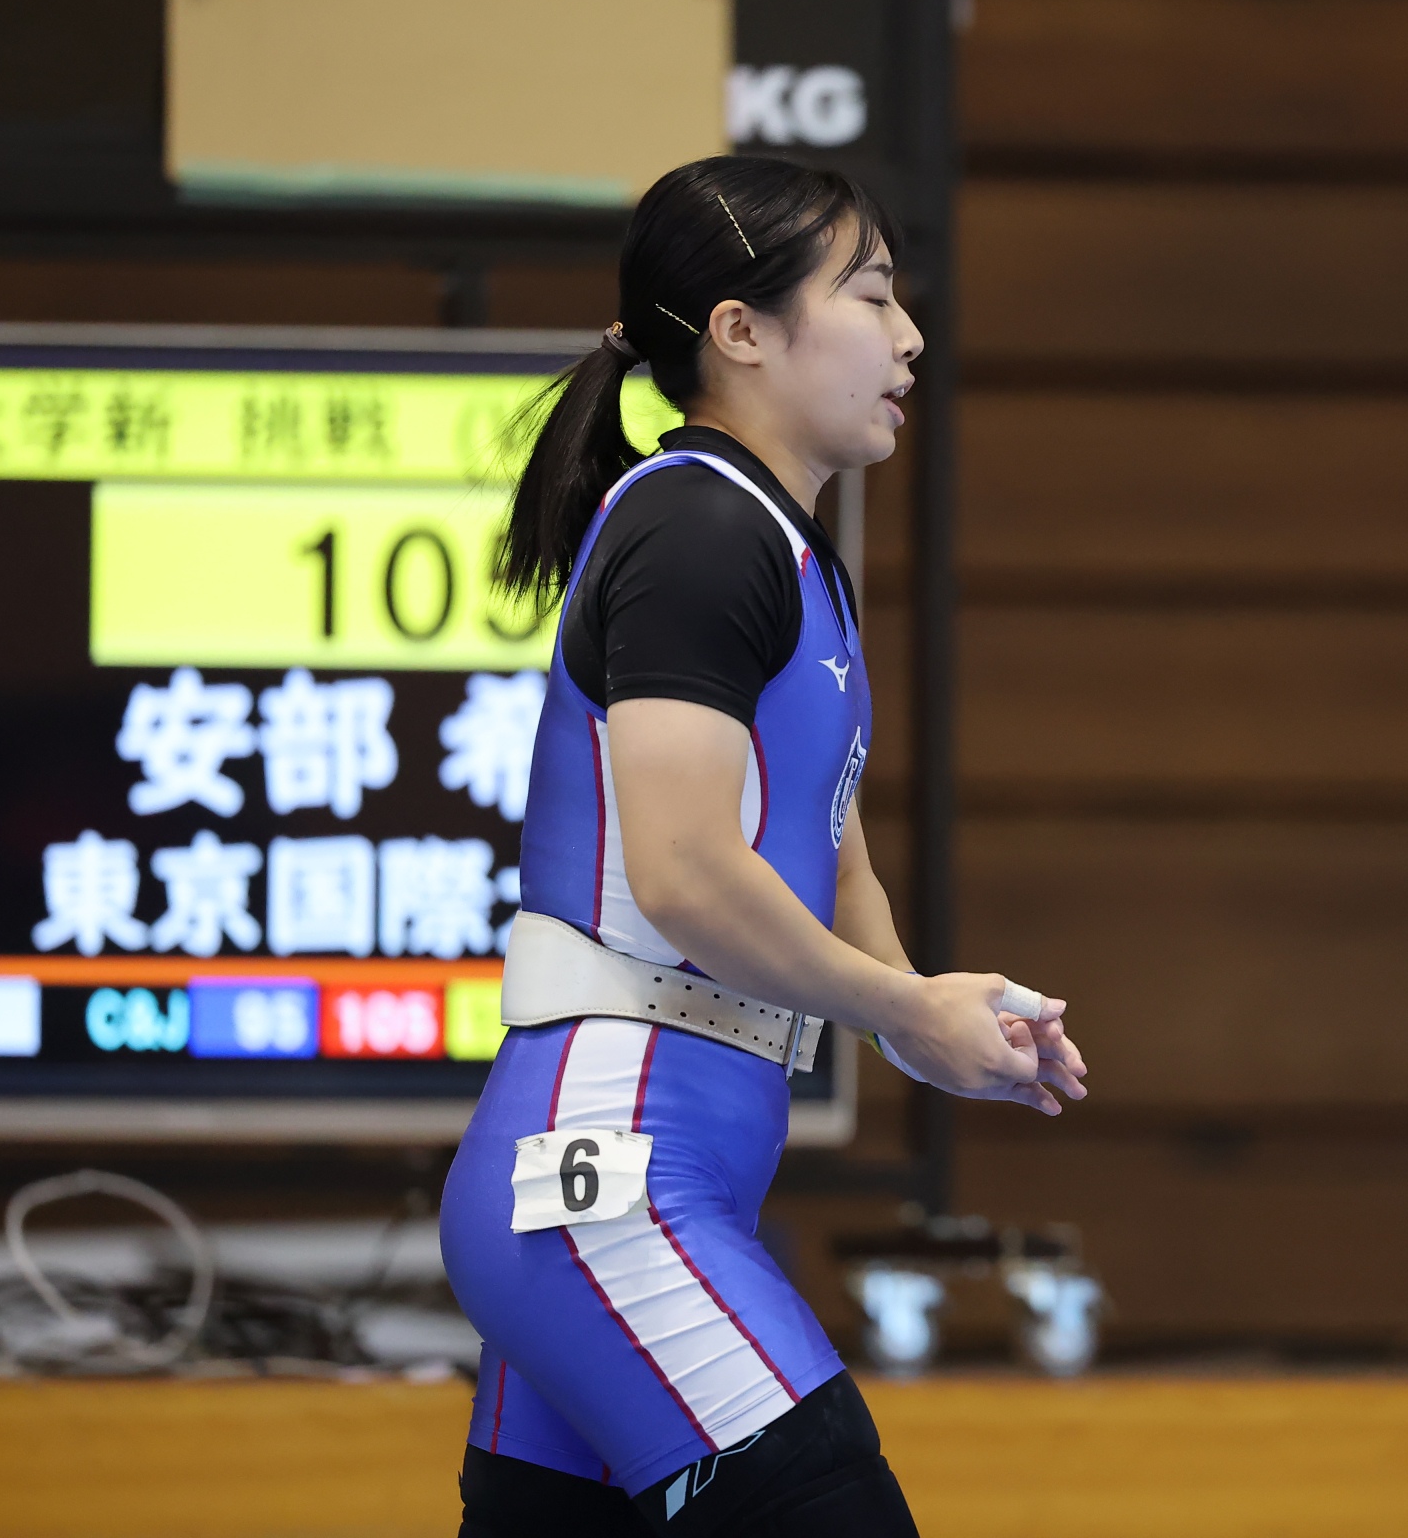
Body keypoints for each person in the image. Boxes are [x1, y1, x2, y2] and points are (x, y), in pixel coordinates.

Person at [440, 155, 1087, 1538]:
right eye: (871, 294)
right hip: (612, 1178)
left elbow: (826, 849)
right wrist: (898, 1009)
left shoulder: (784, 550)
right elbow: (684, 873)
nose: (911, 337)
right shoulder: (697, 528)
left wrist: (922, 1011)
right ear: (740, 331)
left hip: (640, 1177)